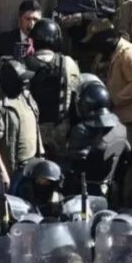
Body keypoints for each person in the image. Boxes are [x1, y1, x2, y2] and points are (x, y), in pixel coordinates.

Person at [83, 19, 132, 158]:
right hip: (116, 118)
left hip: (131, 120)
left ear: (105, 38)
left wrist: (113, 99)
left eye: (96, 41)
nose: (94, 47)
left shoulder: (128, 52)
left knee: (128, 157)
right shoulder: (107, 54)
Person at [24, 18, 81, 163]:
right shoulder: (68, 63)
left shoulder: (23, 65)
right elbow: (76, 95)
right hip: (60, 132)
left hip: (31, 132)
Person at [0, 58, 43, 194]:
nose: (25, 82)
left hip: (32, 164)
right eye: (21, 79)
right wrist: (2, 171)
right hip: (14, 170)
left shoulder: (26, 97)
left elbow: (35, 124)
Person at [54, 0, 119, 72]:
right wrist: (68, 20)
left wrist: (83, 17)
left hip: (105, 50)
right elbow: (59, 16)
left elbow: (111, 14)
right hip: (80, 48)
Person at [0, 0, 43, 97]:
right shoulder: (5, 39)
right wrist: (3, 70)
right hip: (9, 98)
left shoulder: (45, 42)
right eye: (28, 19)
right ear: (19, 20)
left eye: (35, 20)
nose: (32, 24)